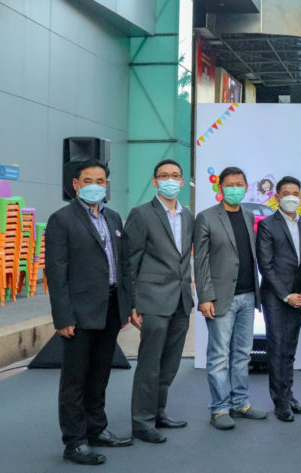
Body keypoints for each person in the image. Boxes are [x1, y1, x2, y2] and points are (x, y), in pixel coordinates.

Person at [45, 160, 133, 465]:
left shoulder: (114, 218)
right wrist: (63, 317)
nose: (95, 185)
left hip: (111, 308)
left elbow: (123, 265)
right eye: (88, 180)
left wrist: (126, 306)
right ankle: (75, 441)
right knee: (75, 380)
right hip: (79, 313)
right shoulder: (61, 220)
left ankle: (96, 429)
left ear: (106, 184)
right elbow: (56, 273)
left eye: (100, 180)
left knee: (100, 374)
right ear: (76, 184)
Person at [124, 159, 193, 444]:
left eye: (175, 176)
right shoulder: (141, 214)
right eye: (164, 176)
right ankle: (142, 422)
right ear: (154, 181)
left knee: (170, 363)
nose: (170, 180)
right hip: (152, 300)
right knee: (149, 364)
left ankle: (158, 412)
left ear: (182, 181)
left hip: (181, 300)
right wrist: (131, 303)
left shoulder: (188, 216)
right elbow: (130, 261)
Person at [194, 166, 267, 430]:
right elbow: (200, 260)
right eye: (229, 184)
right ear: (220, 188)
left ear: (246, 187)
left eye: (239, 184)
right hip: (220, 298)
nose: (235, 188)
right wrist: (205, 297)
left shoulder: (248, 215)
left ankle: (241, 403)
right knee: (218, 357)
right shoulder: (206, 217)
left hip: (248, 296)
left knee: (242, 355)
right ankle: (219, 409)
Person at [256, 176, 301, 422]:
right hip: (276, 296)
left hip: (298, 296)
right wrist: (285, 295)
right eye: (286, 193)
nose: (292, 197)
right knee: (277, 348)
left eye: (296, 193)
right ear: (277, 196)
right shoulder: (268, 225)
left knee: (289, 348)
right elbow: (266, 265)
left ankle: (289, 397)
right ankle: (279, 402)